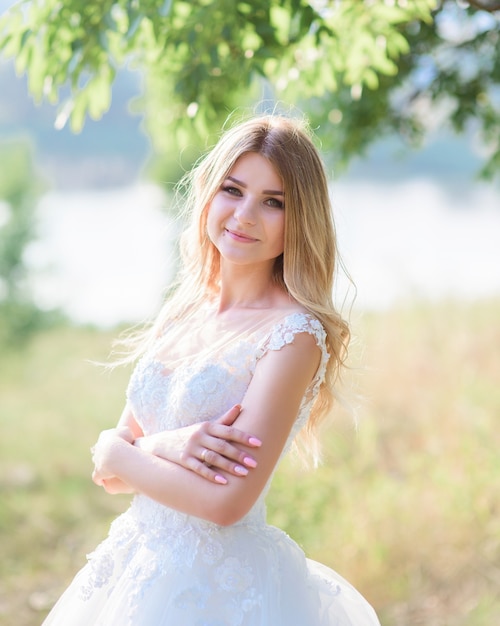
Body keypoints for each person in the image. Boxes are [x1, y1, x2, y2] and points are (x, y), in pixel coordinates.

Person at [42, 114, 381, 625]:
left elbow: (226, 503)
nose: (245, 215)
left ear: (300, 219)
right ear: (208, 193)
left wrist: (121, 449)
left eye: (274, 202)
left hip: (216, 590)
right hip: (135, 566)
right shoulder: (182, 312)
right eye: (233, 190)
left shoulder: (293, 335)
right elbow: (108, 474)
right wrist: (156, 447)